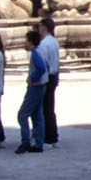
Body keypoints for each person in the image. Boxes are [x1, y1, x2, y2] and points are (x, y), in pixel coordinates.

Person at [16, 29, 48, 154]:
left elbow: (41, 68)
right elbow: (47, 67)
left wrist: (31, 78)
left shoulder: (35, 53)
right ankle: (38, 143)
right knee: (37, 115)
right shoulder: (41, 50)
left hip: (35, 86)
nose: (25, 43)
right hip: (42, 85)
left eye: (26, 40)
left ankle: (25, 142)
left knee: (22, 114)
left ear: (31, 42)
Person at [36, 17, 61, 146]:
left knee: (45, 107)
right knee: (49, 107)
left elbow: (43, 64)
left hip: (48, 77)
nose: (38, 29)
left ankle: (48, 136)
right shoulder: (54, 41)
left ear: (44, 27)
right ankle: (52, 135)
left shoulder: (44, 43)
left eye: (39, 26)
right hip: (54, 75)